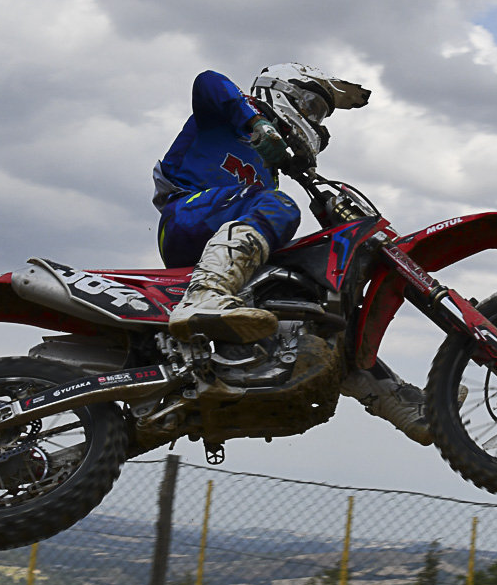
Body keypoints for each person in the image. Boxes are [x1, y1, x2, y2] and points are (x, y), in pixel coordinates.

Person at [152, 64, 433, 444]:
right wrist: (256, 122)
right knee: (279, 206)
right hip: (185, 217)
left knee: (308, 304)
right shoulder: (230, 115)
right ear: (283, 91)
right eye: (312, 107)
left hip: (217, 238)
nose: (314, 120)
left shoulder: (269, 172)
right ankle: (205, 296)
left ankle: (405, 405)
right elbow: (207, 81)